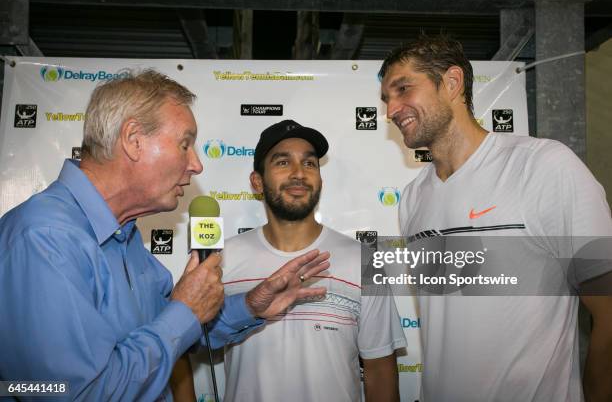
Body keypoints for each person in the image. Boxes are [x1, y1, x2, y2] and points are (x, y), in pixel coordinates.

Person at [0, 71, 330, 401]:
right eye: (184, 144)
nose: (197, 165)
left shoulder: (125, 238)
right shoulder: (43, 238)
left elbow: (177, 329)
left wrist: (249, 306)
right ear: (133, 140)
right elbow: (80, 394)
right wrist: (184, 311)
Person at [379, 35, 612, 401]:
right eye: (386, 98)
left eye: (403, 89)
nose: (391, 109)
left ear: (452, 83)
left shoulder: (545, 166)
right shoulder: (412, 198)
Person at [220, 119, 407, 401]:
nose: (299, 174)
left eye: (309, 164)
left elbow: (380, 371)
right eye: (283, 163)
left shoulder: (364, 261)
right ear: (257, 181)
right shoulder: (222, 260)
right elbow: (186, 346)